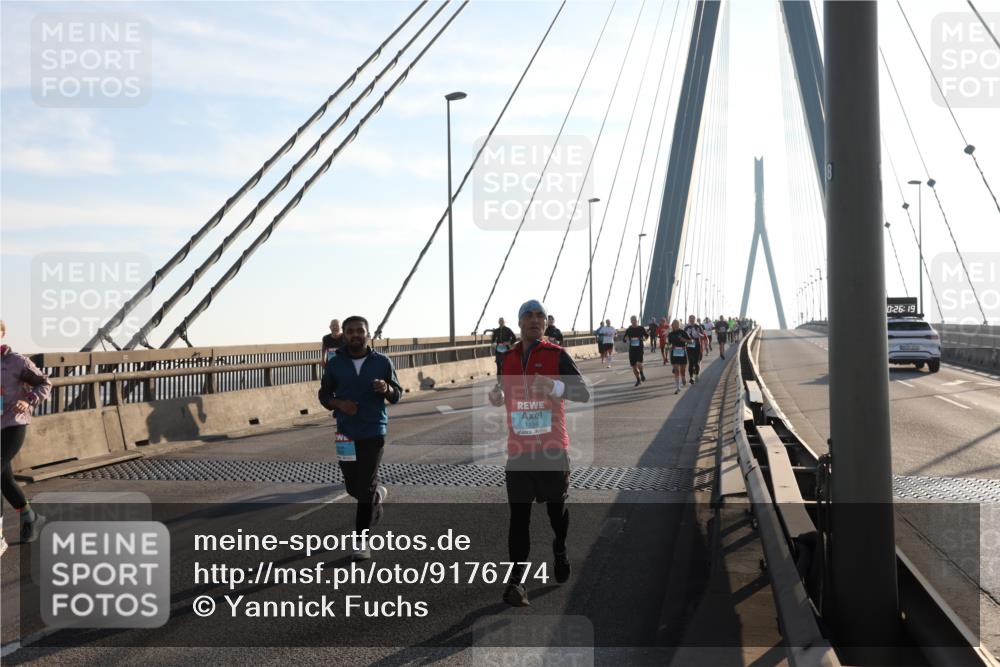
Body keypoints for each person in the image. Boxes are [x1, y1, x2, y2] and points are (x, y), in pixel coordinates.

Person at [488, 300, 590, 606]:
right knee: (518, 519)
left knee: (556, 514)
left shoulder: (557, 355)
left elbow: (582, 392)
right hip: (519, 450)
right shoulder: (507, 358)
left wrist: (555, 387)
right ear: (519, 322)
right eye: (529, 316)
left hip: (552, 449)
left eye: (540, 316)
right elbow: (503, 388)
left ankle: (560, 547)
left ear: (545, 324)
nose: (534, 320)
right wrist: (498, 395)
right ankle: (516, 582)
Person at [318, 315, 402, 561]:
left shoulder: (382, 362)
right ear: (344, 335)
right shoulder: (335, 363)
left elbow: (397, 394)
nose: (355, 334)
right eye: (351, 331)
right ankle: (375, 497)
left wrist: (386, 389)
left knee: (364, 486)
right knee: (352, 487)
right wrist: (339, 404)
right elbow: (324, 395)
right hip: (345, 432)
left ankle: (361, 541)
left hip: (374, 430)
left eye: (359, 330)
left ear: (368, 334)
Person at [1, 320, 52, 555]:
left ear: (2, 334)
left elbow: (45, 383)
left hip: (14, 424)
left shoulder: (17, 361)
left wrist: (28, 400)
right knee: (5, 480)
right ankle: (31, 518)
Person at [666, 319, 692, 394]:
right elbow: (669, 344)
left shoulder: (683, 332)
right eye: (674, 324)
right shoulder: (671, 334)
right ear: (672, 325)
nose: (675, 325)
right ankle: (678, 387)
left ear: (679, 324)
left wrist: (684, 340)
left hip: (682, 352)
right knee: (676, 370)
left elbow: (691, 341)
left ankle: (683, 377)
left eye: (677, 324)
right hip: (674, 353)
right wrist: (669, 346)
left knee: (682, 371)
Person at [623, 316, 648, 387]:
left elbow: (646, 336)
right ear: (631, 321)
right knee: (634, 367)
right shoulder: (629, 329)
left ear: (637, 320)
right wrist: (625, 339)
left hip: (639, 348)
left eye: (634, 320)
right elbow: (624, 339)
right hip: (632, 350)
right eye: (632, 320)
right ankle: (638, 379)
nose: (633, 321)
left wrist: (644, 338)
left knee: (639, 363)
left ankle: (642, 374)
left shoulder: (641, 328)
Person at [683, 315, 705, 384]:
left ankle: (697, 374)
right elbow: (683, 336)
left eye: (693, 319)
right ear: (689, 319)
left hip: (697, 345)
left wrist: (699, 334)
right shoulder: (686, 327)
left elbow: (703, 336)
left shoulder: (698, 327)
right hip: (689, 346)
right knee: (691, 362)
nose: (692, 320)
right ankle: (691, 377)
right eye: (690, 319)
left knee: (696, 362)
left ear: (694, 319)